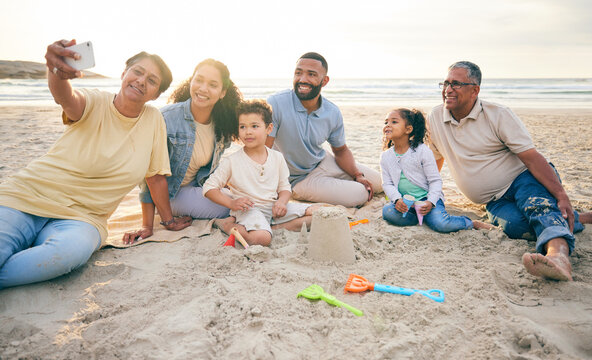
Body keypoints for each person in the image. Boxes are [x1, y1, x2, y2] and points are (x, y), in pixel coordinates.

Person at [0, 39, 177, 289]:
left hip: (83, 219)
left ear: (157, 94)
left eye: (152, 81)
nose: (141, 81)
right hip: (26, 197)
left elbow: (155, 177)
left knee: (66, 256)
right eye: (138, 71)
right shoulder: (95, 101)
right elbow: (66, 97)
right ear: (124, 72)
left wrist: (167, 222)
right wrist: (57, 72)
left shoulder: (153, 120)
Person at [427, 61, 592, 281]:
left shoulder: (498, 115)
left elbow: (532, 159)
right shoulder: (435, 118)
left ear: (475, 90)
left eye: (456, 84)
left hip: (523, 178)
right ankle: (573, 218)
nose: (448, 89)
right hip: (494, 200)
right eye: (445, 83)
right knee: (515, 227)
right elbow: (434, 162)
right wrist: (428, 197)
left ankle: (558, 257)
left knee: (537, 207)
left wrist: (562, 195)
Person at [123, 59, 242, 244]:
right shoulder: (166, 118)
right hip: (170, 196)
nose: (203, 88)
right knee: (238, 205)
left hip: (195, 188)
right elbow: (149, 176)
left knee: (244, 193)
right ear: (190, 81)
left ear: (222, 93)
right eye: (199, 80)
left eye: (213, 85)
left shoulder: (221, 126)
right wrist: (154, 223)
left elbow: (205, 171)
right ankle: (225, 223)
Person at [265, 52, 382, 208]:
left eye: (311, 74)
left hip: (323, 161)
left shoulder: (332, 111)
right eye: (298, 73)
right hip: (299, 180)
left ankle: (339, 182)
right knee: (360, 193)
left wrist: (357, 175)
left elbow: (340, 151)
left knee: (379, 183)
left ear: (324, 80)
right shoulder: (276, 103)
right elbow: (263, 150)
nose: (302, 79)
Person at [204, 100, 319, 246]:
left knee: (318, 213)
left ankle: (274, 228)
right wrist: (231, 203)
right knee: (262, 239)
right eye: (242, 127)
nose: (248, 131)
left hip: (272, 208)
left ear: (269, 128)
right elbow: (208, 188)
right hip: (248, 211)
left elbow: (284, 188)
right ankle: (226, 225)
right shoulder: (232, 161)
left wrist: (282, 203)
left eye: (254, 126)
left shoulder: (277, 157)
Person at [381, 108, 494, 232]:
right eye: (386, 122)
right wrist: (397, 199)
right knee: (388, 212)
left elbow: (435, 181)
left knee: (442, 224)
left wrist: (431, 202)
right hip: (405, 202)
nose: (388, 125)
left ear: (408, 129)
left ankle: (471, 223)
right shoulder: (386, 156)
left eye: (394, 122)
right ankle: (420, 218)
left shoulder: (422, 151)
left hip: (427, 199)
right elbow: (387, 184)